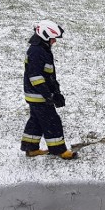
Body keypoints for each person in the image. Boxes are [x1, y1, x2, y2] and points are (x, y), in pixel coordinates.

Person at [20, 20, 78, 159]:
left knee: (36, 121)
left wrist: (56, 92)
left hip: (37, 95)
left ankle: (31, 148)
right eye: (53, 39)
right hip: (38, 95)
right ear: (45, 36)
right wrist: (48, 95)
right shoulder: (36, 51)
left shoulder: (42, 49)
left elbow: (49, 75)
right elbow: (36, 77)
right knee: (52, 121)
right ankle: (59, 150)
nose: (54, 42)